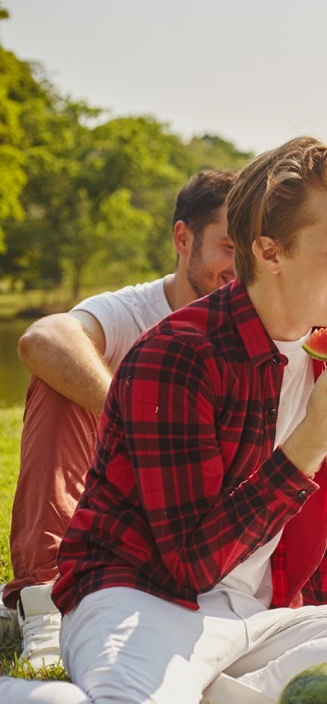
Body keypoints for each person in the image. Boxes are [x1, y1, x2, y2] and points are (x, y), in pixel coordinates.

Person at [2, 137, 327, 704]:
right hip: (144, 600)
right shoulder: (176, 355)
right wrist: (310, 440)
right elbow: (191, 563)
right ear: (270, 253)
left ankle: (223, 693)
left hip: (258, 618)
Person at [3, 168, 238, 670]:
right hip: (119, 514)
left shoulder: (260, 320)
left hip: (209, 533)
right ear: (183, 238)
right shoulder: (134, 309)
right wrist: (134, 420)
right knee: (56, 377)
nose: (239, 268)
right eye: (227, 247)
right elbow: (42, 340)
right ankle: (44, 598)